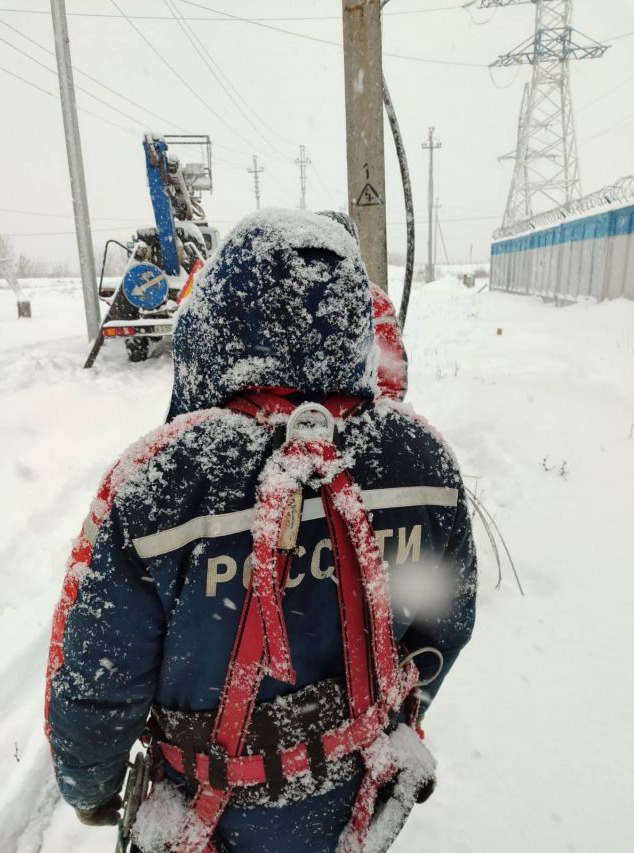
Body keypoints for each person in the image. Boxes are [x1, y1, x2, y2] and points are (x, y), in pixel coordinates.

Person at [45, 209, 476, 853]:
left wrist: (91, 788)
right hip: (356, 807)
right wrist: (387, 719)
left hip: (204, 824)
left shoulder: (158, 482)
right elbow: (444, 625)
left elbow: (97, 679)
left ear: (219, 316)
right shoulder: (423, 461)